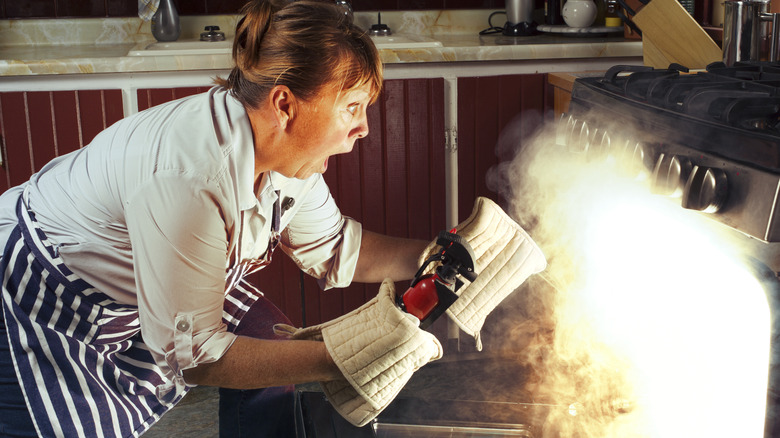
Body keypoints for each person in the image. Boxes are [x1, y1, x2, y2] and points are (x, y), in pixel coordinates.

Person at [0, 1, 433, 436]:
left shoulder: (286, 157)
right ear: (285, 104)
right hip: (37, 294)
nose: (363, 128)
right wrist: (343, 356)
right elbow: (200, 358)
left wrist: (444, 253)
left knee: (267, 338)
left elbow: (336, 247)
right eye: (352, 107)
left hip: (134, 288)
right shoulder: (190, 176)